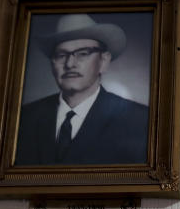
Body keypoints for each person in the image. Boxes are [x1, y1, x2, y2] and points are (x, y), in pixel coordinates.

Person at [14, 14, 149, 166]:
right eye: (61, 55)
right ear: (52, 63)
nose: (70, 64)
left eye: (83, 53)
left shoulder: (139, 121)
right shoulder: (23, 119)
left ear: (103, 61)